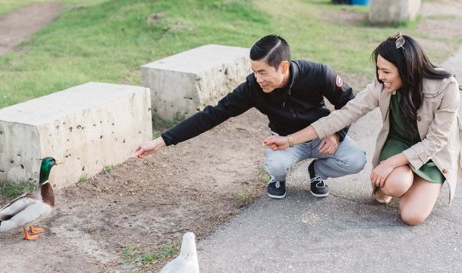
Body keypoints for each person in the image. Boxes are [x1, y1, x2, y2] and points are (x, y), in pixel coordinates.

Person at [135, 35, 368, 199]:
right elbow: (213, 114)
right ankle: (278, 179)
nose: (258, 78)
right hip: (284, 141)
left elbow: (349, 101)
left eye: (263, 72)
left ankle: (317, 173)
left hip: (321, 136)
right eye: (254, 71)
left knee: (356, 160)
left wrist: (337, 133)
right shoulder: (252, 88)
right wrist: (162, 140)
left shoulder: (318, 74)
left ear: (284, 67)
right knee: (276, 165)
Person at [264, 33, 461, 226]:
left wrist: (389, 164)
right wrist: (290, 140)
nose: (380, 76)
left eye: (386, 71)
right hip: (400, 143)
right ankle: (401, 182)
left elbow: (436, 141)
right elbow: (344, 115)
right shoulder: (381, 86)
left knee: (411, 217)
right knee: (396, 185)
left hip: (432, 155)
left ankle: (413, 181)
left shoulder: (446, 87)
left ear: (406, 69)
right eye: (378, 70)